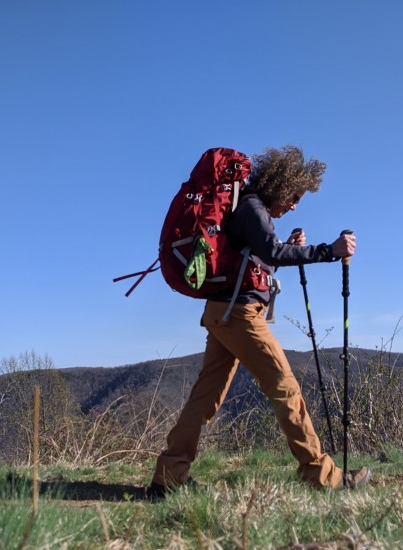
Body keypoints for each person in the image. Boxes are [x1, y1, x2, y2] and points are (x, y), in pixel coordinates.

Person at [148, 145, 370, 497]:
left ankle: (169, 476)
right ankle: (322, 476)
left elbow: (261, 260)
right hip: (238, 315)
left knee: (205, 399)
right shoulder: (252, 207)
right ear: (281, 186)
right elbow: (270, 252)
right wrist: (329, 251)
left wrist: (290, 246)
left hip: (224, 312)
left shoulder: (249, 208)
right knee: (285, 386)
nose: (295, 205)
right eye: (295, 196)